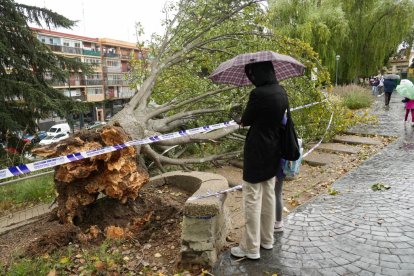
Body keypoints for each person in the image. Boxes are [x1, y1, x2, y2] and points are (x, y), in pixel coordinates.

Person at [230, 61, 288, 260]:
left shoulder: (258, 94)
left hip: (256, 150)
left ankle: (251, 248)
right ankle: (267, 240)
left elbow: (247, 119)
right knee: (269, 195)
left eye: (252, 74)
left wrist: (239, 118)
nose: (251, 78)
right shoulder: (281, 91)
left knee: (252, 198)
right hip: (274, 148)